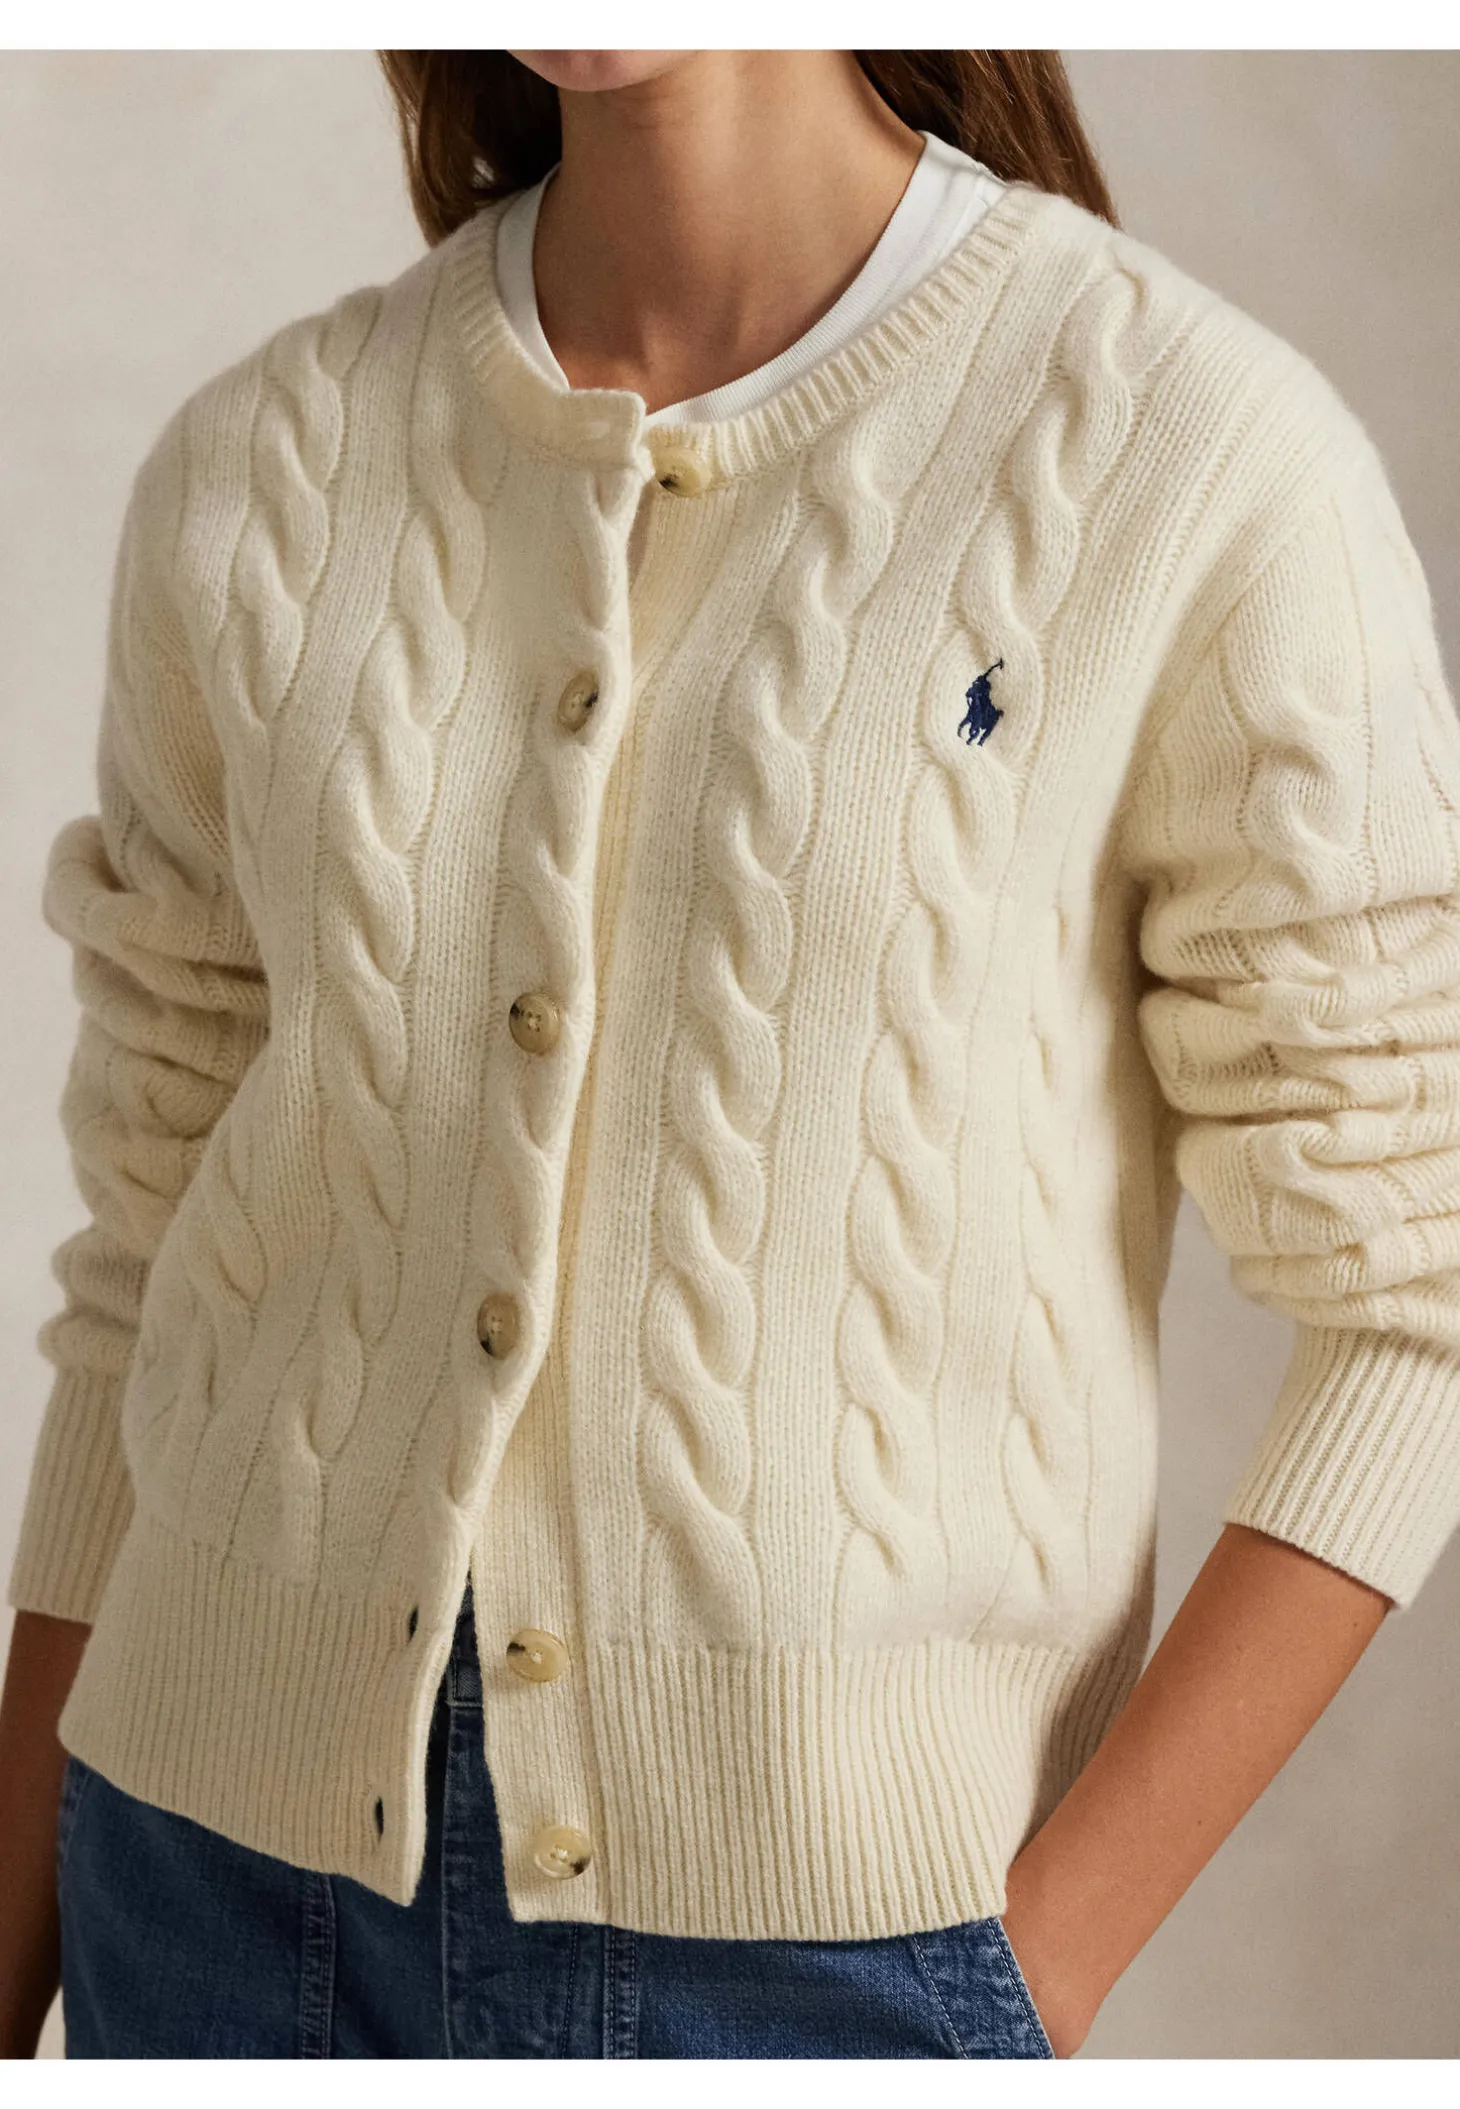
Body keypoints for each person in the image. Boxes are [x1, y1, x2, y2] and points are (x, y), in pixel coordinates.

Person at [2, 47, 1457, 2061]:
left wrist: (1035, 1971)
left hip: (820, 1974)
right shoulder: (264, 466)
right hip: (200, 1912)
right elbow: (150, 1265)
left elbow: (1415, 1289)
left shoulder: (1186, 453)